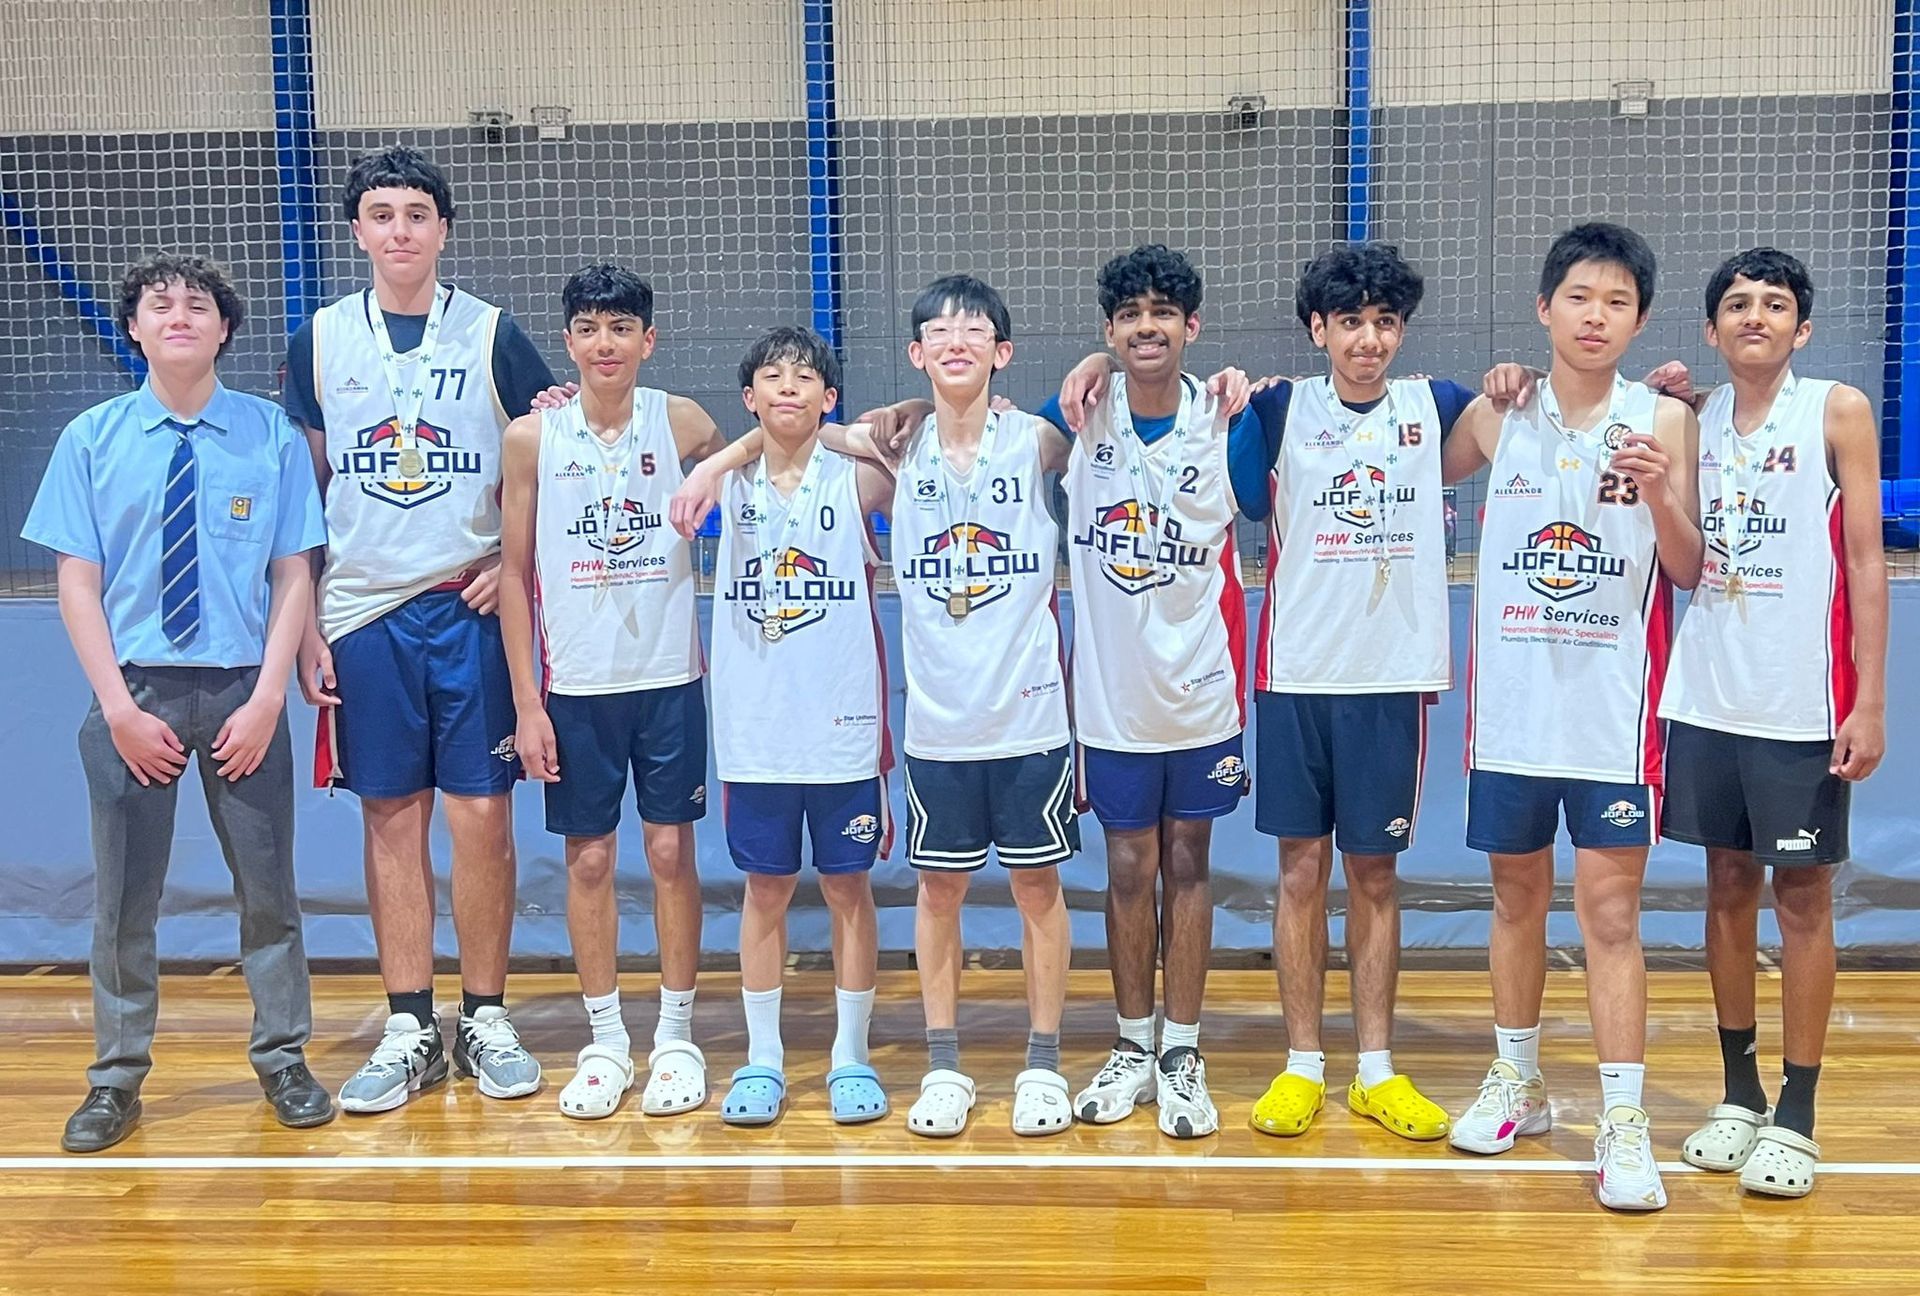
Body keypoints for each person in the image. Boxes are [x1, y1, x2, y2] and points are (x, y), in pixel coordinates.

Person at [24, 253, 332, 1150]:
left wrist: (272, 695)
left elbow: (292, 574)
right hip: (138, 694)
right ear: (134, 328)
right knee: (124, 902)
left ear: (225, 329)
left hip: (243, 691)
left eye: (199, 305)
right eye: (160, 306)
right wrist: (116, 707)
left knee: (268, 895)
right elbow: (75, 584)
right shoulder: (92, 439)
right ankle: (116, 1079)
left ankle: (283, 1058)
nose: (180, 317)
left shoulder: (269, 435)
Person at [284, 146, 557, 1112]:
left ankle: (483, 1014)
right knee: (390, 816)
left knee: (482, 817)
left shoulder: (494, 334)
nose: (400, 229)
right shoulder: (317, 340)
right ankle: (409, 1024)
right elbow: (308, 493)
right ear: (356, 230)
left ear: (444, 230)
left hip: (468, 604)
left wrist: (505, 564)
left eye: (417, 214)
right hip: (363, 612)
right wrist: (310, 620)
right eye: (382, 213)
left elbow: (551, 465)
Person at [1442, 221, 1702, 1212]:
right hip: (1510, 712)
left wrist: (1661, 494)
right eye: (1580, 297)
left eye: (1618, 302)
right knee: (1513, 903)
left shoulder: (1663, 421)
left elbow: (1686, 566)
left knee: (1609, 915)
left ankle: (1623, 1120)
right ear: (1546, 307)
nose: (1597, 316)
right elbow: (1401, 457)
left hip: (1611, 715)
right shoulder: (1496, 413)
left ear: (1638, 320)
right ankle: (1519, 1082)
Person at [1237, 243, 1476, 1144]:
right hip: (1298, 673)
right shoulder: (1278, 407)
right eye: (1350, 322)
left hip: (1392, 679)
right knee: (1301, 872)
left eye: (1384, 323)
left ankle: (1376, 1069)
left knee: (1375, 874)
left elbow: (1548, 402)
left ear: (1401, 330)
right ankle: (1303, 1064)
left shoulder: (1437, 404)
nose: (1368, 339)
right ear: (1319, 329)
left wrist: (1676, 395)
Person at [1661, 248, 1887, 1198]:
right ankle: (1740, 1093)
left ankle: (1798, 1110)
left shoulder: (1837, 409)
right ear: (1712, 331)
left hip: (1801, 701)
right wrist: (1667, 394)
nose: (1756, 316)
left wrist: (1869, 699)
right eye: (1737, 305)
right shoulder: (1691, 417)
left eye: (1776, 304)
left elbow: (1868, 564)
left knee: (1801, 899)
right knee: (1724, 888)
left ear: (1801, 327)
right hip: (1707, 694)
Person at [497, 264, 733, 1118]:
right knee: (590, 859)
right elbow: (514, 573)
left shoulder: (682, 420)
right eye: (590, 329)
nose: (606, 343)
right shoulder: (532, 439)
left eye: (621, 328)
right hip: (578, 686)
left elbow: (758, 448)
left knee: (672, 854)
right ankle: (606, 1040)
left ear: (648, 339)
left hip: (669, 679)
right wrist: (528, 703)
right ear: (569, 342)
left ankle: (675, 1036)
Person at [1039, 244, 1252, 1140]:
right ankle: (1132, 1044)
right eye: (1129, 316)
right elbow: (979, 429)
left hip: (1200, 688)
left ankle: (1183, 1049)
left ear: (1191, 327)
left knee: (1190, 863)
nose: (1147, 327)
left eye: (1163, 312)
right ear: (1110, 331)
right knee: (1128, 866)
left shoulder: (1230, 416)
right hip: (1114, 699)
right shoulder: (1080, 416)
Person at [703, 326, 896, 1126]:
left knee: (850, 886)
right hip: (756, 731)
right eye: (771, 378)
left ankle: (850, 1055)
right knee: (767, 888)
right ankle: (764, 1059)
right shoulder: (723, 485)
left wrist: (833, 432)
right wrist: (729, 454)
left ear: (829, 395)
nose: (788, 388)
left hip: (843, 725)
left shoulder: (852, 482)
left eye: (806, 378)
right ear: (748, 398)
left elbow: (910, 447)